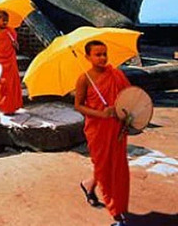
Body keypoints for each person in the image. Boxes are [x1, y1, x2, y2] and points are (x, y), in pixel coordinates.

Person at [75, 40, 131, 226]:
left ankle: (89, 185)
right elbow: (78, 105)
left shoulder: (116, 74)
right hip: (97, 129)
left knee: (117, 167)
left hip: (116, 127)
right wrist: (101, 113)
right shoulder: (84, 78)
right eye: (97, 54)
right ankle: (116, 213)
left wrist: (127, 117)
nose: (103, 58)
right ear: (87, 57)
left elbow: (129, 97)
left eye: (104, 53)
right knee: (104, 167)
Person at [0, 10, 22, 114]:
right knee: (2, 84)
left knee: (11, 84)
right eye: (3, 21)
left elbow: (17, 47)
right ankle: (3, 106)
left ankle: (11, 107)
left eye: (7, 21)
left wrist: (15, 44)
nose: (5, 23)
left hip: (10, 61)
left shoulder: (11, 31)